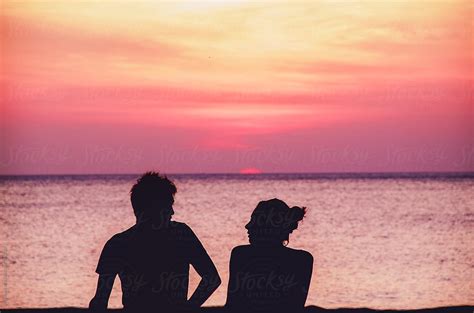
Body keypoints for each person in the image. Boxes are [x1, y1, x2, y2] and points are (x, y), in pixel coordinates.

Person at [89, 172, 221, 312]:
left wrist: (188, 308)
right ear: (153, 210)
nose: (172, 212)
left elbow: (100, 300)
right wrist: (188, 308)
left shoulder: (117, 244)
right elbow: (211, 279)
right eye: (167, 206)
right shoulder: (181, 234)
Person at [225, 198, 313, 313]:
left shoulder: (241, 255)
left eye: (254, 220)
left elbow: (233, 305)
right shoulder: (302, 260)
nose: (248, 226)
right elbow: (295, 306)